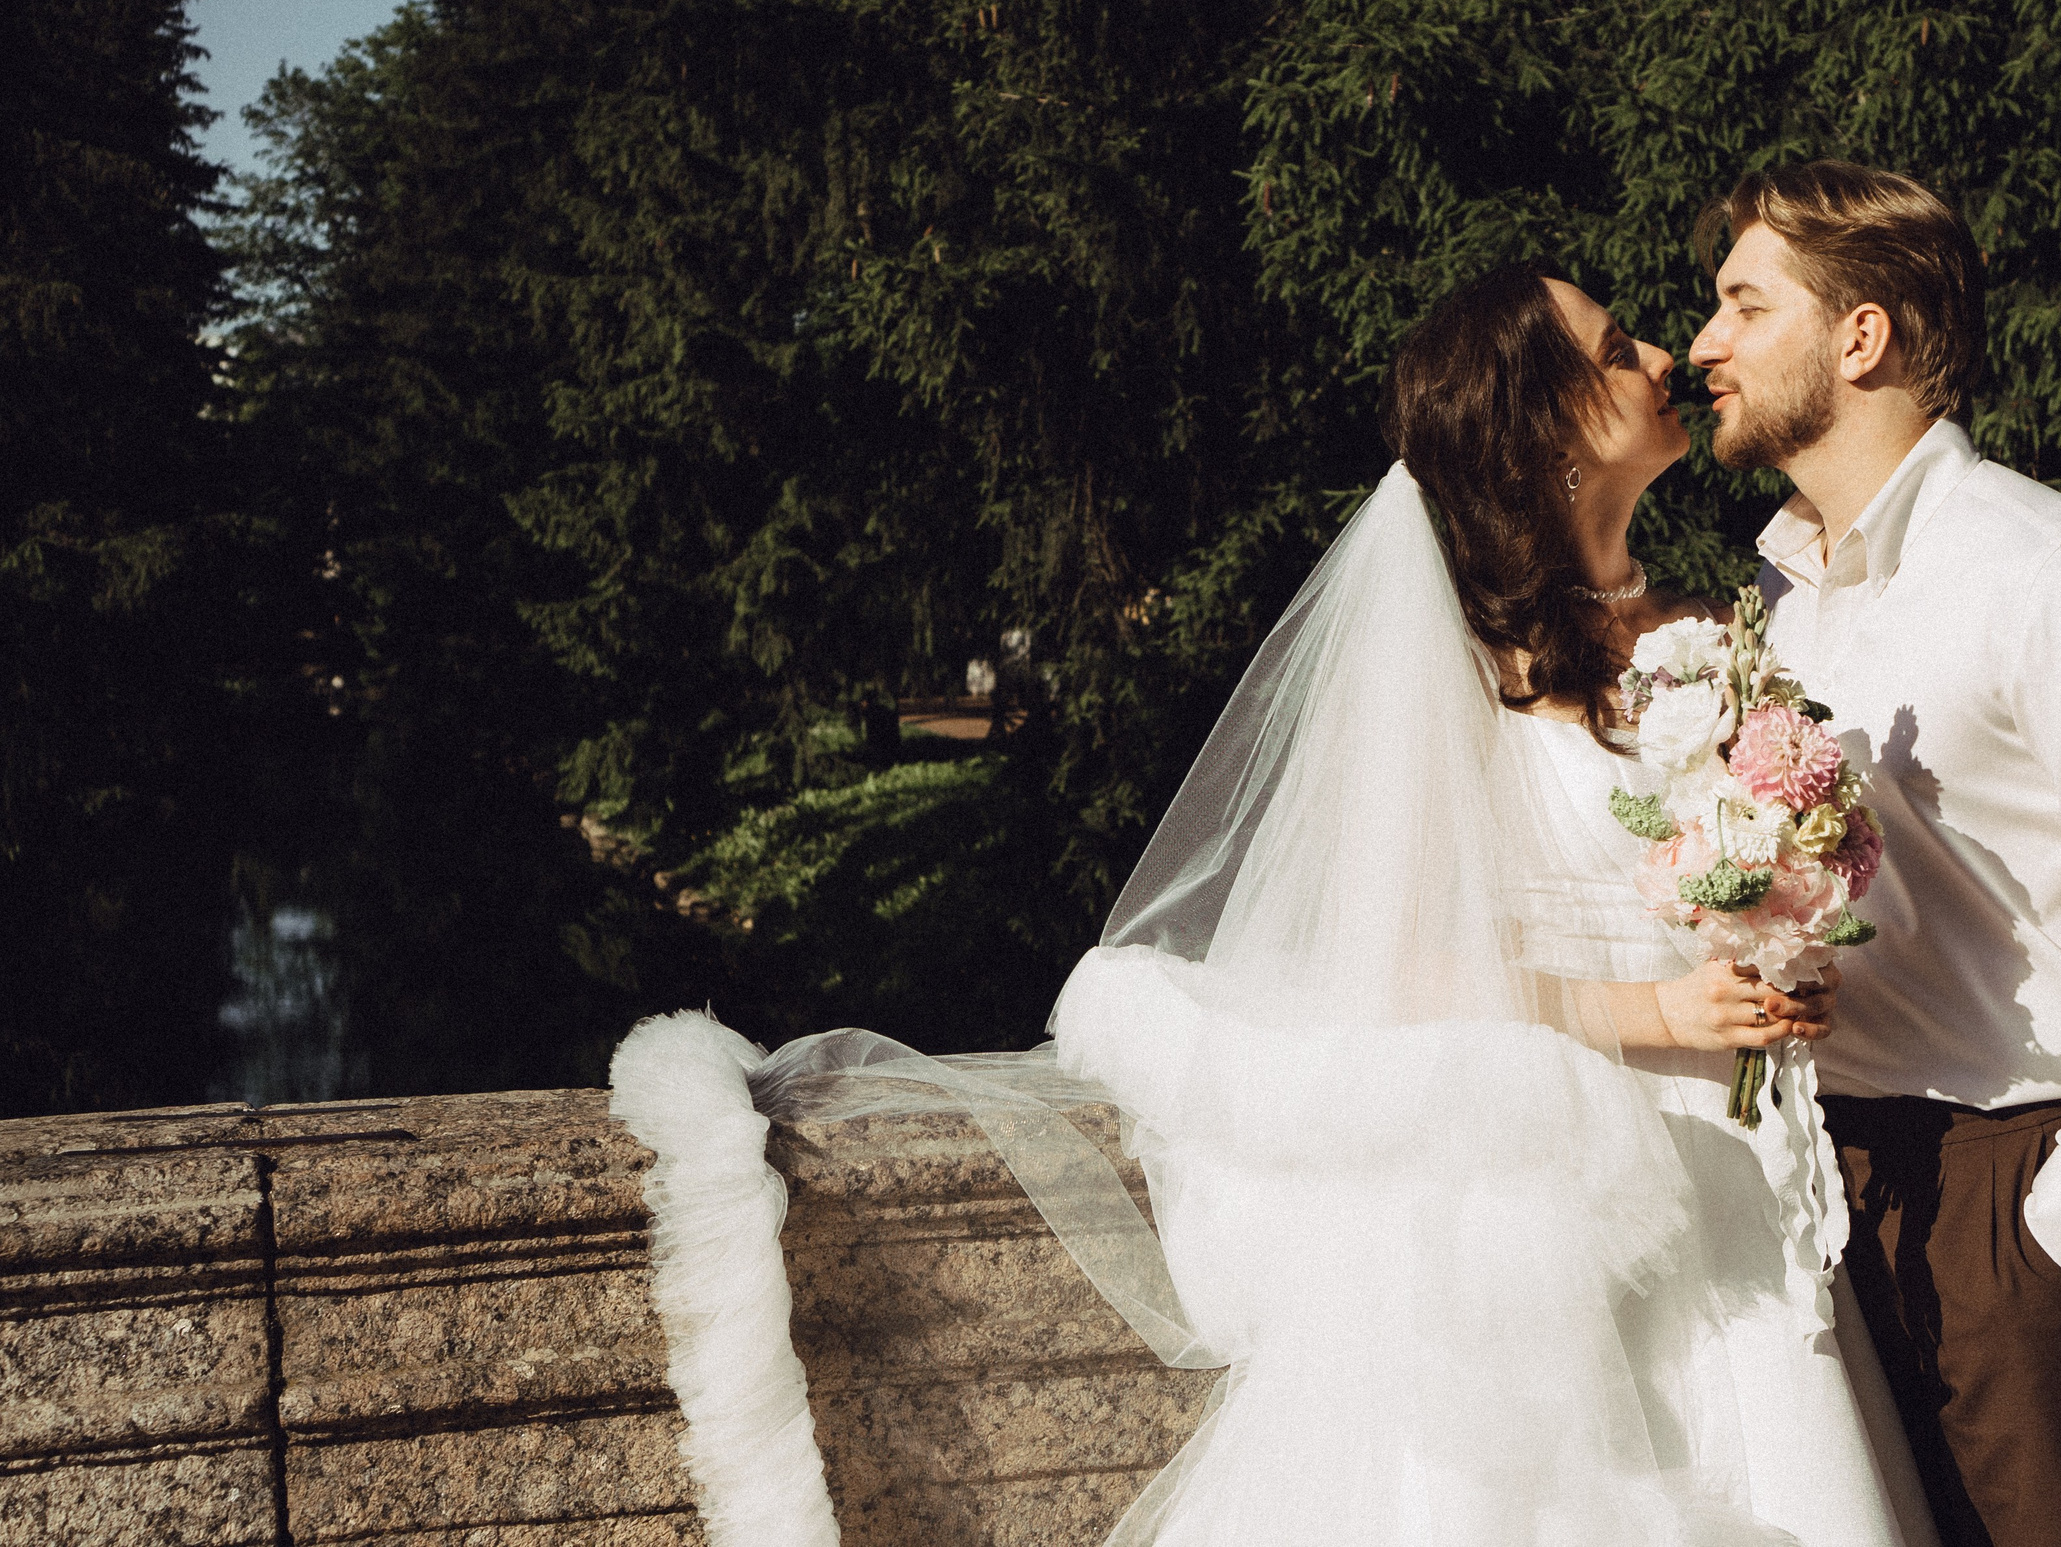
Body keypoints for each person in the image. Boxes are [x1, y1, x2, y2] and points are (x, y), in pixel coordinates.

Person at [613, 264, 1940, 1547]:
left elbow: (1730, 863)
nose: (1661, 359)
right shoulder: (1450, 670)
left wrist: (1780, 920)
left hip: (1736, 1151)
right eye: (1613, 350)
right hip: (1559, 1173)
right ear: (1541, 430)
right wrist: (1655, 1008)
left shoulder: (1709, 633)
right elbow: (1406, 967)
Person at [1685, 161, 2061, 1547]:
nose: (1703, 344)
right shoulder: (1782, 597)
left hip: (2012, 1182)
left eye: (1744, 308)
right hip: (1829, 1194)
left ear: (1859, 334)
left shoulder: (2056, 580)